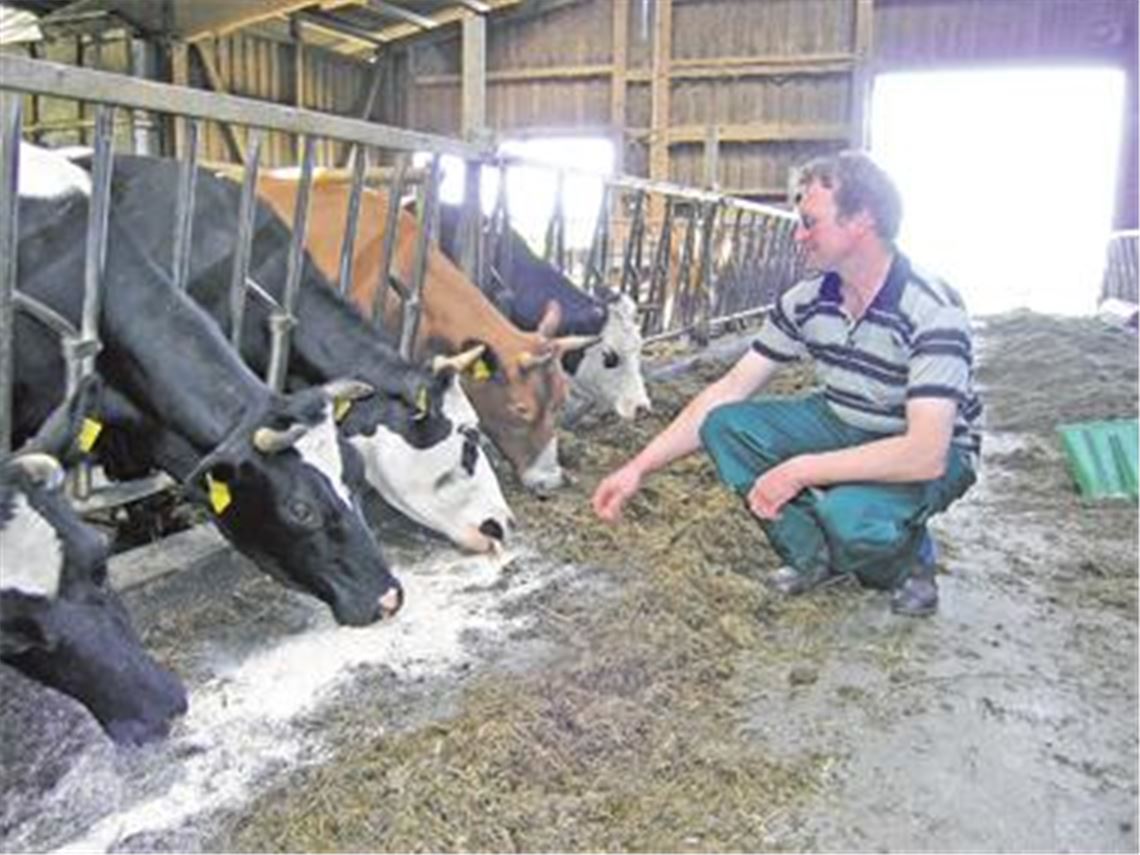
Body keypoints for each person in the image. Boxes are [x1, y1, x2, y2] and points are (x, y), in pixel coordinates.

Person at [591, 150, 981, 617]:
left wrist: (800, 470)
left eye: (810, 222)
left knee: (849, 517)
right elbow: (729, 390)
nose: (798, 235)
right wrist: (637, 468)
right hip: (843, 417)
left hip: (929, 449)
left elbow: (924, 453)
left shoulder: (931, 308)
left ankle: (909, 562)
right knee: (725, 424)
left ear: (861, 220)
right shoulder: (806, 302)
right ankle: (810, 557)